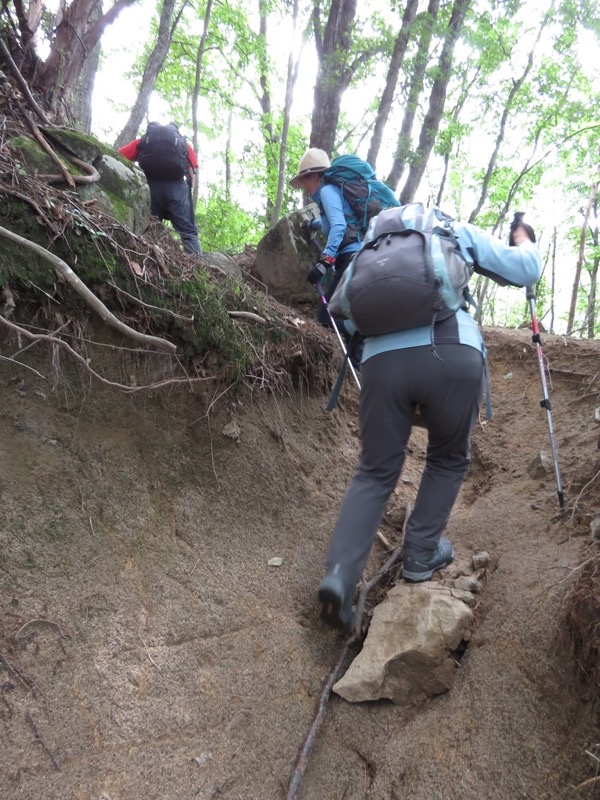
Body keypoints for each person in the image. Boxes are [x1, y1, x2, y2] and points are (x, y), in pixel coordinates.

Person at [317, 213, 542, 631]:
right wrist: (524, 238)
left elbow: (347, 319)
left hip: (382, 366)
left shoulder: (370, 251)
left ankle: (340, 576)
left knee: (374, 473)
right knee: (447, 458)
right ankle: (420, 553)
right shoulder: (450, 231)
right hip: (452, 352)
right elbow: (526, 268)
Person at [289, 148, 362, 360]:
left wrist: (323, 263)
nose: (303, 185)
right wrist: (313, 224)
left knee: (325, 314)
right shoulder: (328, 194)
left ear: (314, 175)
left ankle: (361, 332)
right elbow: (335, 222)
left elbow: (339, 227)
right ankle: (358, 355)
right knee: (340, 312)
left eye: (304, 179)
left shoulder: (328, 192)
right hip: (354, 259)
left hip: (350, 259)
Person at [119, 122, 202, 255]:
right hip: (177, 189)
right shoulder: (183, 144)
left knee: (151, 228)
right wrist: (187, 191)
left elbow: (119, 156)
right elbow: (192, 175)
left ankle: (147, 261)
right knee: (188, 233)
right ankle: (199, 268)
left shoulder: (144, 141)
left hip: (151, 188)